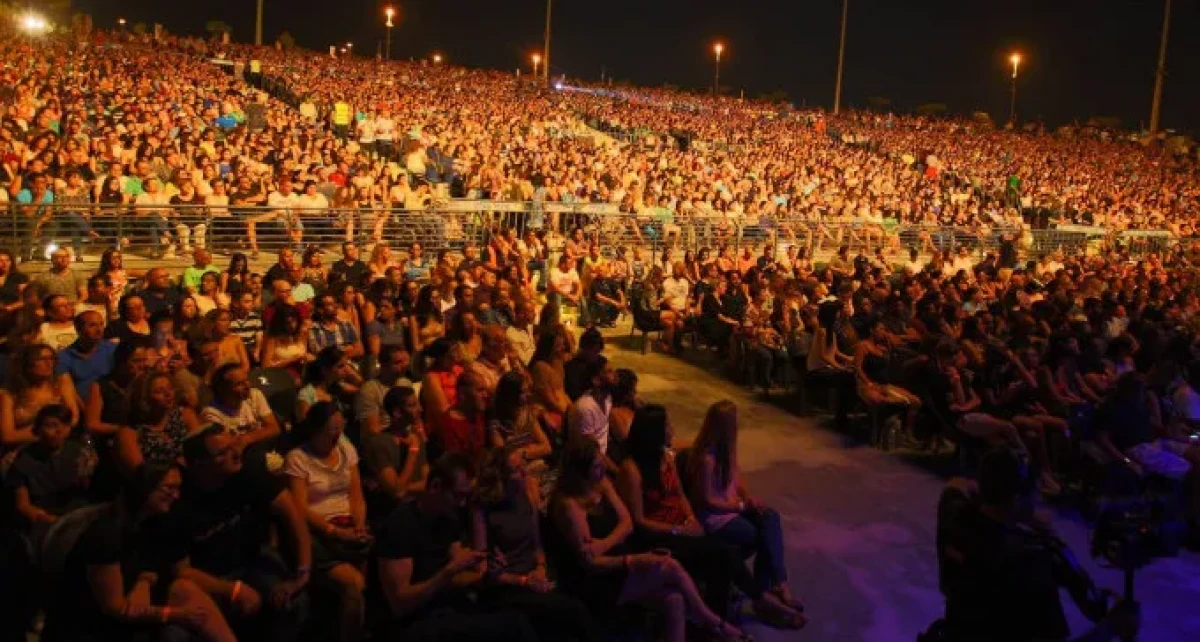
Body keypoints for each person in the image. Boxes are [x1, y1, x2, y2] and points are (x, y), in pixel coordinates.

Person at [617, 404, 805, 627]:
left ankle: (757, 599)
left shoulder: (664, 460)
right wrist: (679, 530)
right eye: (667, 426)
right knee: (725, 551)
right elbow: (639, 522)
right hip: (659, 537)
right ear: (654, 433)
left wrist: (691, 520)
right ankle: (756, 602)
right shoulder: (631, 470)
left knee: (763, 522)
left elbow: (681, 497)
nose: (672, 429)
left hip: (683, 526)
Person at [551, 438, 752, 642]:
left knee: (674, 600)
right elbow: (590, 563)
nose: (603, 465)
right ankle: (714, 623)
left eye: (600, 459)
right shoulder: (569, 506)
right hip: (596, 581)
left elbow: (627, 522)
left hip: (619, 561)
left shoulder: (601, 483)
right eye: (596, 465)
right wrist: (632, 561)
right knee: (669, 566)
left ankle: (712, 623)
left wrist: (603, 544)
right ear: (580, 473)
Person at [937, 448, 1140, 642]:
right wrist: (1110, 627)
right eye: (1034, 493)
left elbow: (957, 484)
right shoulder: (1030, 559)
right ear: (1017, 499)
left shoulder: (955, 517)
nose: (1037, 499)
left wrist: (1011, 511)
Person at [41, 465, 237, 642]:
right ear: (145, 488)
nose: (176, 496)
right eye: (168, 488)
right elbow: (115, 608)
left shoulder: (153, 521)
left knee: (184, 588)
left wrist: (145, 580)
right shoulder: (107, 534)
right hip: (91, 622)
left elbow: (156, 563)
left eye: (178, 488)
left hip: (132, 600)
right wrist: (176, 614)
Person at [374, 453, 539, 642]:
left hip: (449, 607)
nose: (462, 503)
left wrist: (487, 573)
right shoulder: (400, 525)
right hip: (418, 621)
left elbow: (458, 577)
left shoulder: (449, 518)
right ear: (435, 486)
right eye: (458, 495)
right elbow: (401, 605)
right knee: (514, 625)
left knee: (518, 617)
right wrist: (447, 572)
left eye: (466, 496)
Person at [172, 426, 312, 641]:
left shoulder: (246, 471)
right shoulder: (178, 498)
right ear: (199, 465)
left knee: (293, 602)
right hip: (207, 577)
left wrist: (302, 573)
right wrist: (233, 590)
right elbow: (182, 572)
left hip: (250, 560)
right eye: (222, 453)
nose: (235, 454)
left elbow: (292, 514)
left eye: (233, 446)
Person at [470, 446, 602, 642]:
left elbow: (537, 545)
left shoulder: (526, 496)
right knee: (573, 612)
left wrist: (540, 568)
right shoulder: (482, 509)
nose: (524, 472)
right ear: (501, 478)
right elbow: (481, 570)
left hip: (534, 576)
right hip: (506, 584)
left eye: (523, 465)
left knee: (577, 606)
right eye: (516, 470)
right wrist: (523, 581)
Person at [687, 400, 803, 612]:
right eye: (734, 422)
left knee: (770, 516)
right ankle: (766, 591)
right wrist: (739, 507)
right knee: (756, 534)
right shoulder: (707, 458)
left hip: (733, 508)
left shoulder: (729, 449)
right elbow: (707, 501)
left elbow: (736, 481)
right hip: (716, 518)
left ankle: (777, 584)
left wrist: (748, 497)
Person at [284, 402, 370, 642]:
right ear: (315, 431)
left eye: (340, 429)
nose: (337, 435)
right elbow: (300, 508)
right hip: (318, 533)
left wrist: (359, 524)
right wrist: (333, 531)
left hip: (350, 527)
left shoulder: (345, 448)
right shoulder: (298, 458)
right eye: (331, 430)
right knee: (354, 584)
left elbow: (356, 494)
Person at [115, 371, 201, 477]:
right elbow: (140, 474)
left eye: (170, 388)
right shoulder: (130, 432)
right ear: (144, 398)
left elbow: (202, 452)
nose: (168, 394)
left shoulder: (185, 415)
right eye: (159, 391)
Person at [0, 343, 81, 448]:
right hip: (25, 448)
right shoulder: (10, 393)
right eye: (42, 359)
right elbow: (7, 436)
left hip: (61, 443)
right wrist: (46, 433)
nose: (49, 363)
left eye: (51, 359)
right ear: (28, 365)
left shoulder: (61, 382)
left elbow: (73, 417)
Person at [199, 364, 281, 452]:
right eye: (239, 384)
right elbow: (227, 448)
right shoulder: (211, 414)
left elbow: (274, 428)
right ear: (224, 390)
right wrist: (260, 434)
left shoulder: (254, 395)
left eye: (246, 380)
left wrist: (246, 439)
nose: (247, 386)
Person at [567, 356, 618, 471]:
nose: (615, 374)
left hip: (605, 454)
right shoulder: (585, 408)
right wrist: (617, 472)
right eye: (609, 372)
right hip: (590, 465)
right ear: (596, 380)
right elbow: (592, 452)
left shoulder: (607, 397)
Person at [55, 310, 116, 400]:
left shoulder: (113, 349)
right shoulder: (64, 356)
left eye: (101, 324)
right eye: (92, 325)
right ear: (78, 329)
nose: (99, 330)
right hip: (82, 406)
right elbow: (68, 391)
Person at [355, 344, 413, 435]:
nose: (404, 366)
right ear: (384, 366)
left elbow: (416, 418)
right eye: (398, 363)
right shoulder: (370, 390)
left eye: (404, 362)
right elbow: (373, 430)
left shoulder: (406, 383)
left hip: (408, 436)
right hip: (386, 440)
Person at [296, 346, 363, 422]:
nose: (346, 370)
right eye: (340, 366)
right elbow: (304, 427)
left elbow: (365, 390)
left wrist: (350, 371)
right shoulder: (306, 394)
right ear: (325, 370)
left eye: (346, 365)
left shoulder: (337, 386)